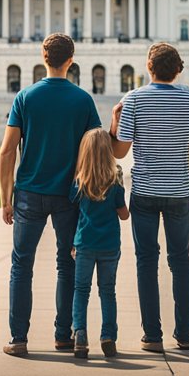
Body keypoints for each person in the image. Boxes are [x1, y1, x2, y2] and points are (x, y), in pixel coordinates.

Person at [0, 33, 101, 357]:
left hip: (28, 193)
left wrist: (5, 199)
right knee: (66, 265)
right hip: (69, 195)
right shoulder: (83, 100)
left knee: (21, 266)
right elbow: (95, 150)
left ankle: (18, 339)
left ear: (43, 59)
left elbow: (6, 152)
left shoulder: (25, 97)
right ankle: (63, 336)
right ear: (71, 60)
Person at [110, 42, 189, 352]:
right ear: (178, 69)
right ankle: (184, 334)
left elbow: (119, 151)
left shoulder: (134, 99)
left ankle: (152, 336)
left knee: (146, 262)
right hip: (179, 191)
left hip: (145, 192)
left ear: (148, 68)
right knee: (181, 261)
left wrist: (115, 121)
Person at [69, 129, 129, 359]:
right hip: (110, 245)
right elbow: (123, 215)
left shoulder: (80, 180)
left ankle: (80, 335)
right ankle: (108, 336)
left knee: (81, 290)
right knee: (107, 291)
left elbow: (73, 209)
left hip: (84, 243)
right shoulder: (115, 181)